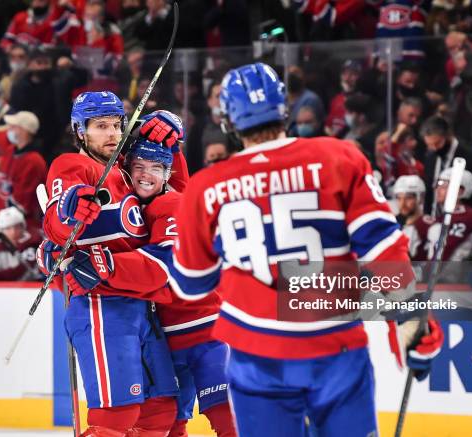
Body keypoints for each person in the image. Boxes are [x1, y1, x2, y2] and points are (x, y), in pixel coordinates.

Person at [151, 62, 443, 436]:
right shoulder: (340, 156)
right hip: (334, 347)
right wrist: (406, 316)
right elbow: (384, 246)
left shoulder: (206, 186)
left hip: (257, 357)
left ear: (228, 121)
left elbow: (191, 284)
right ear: (284, 110)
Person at [61, 137, 237, 437]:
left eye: (156, 168)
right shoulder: (130, 212)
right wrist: (59, 250)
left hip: (207, 332)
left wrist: (103, 267)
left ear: (168, 174)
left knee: (228, 417)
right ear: (126, 170)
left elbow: (164, 266)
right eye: (138, 166)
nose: (146, 174)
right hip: (165, 339)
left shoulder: (174, 203)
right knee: (169, 424)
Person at [40, 91, 188, 436]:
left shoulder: (126, 170)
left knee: (159, 411)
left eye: (117, 125)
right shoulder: (73, 165)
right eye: (101, 126)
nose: (111, 134)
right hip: (99, 305)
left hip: (142, 304)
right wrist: (70, 208)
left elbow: (177, 199)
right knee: (115, 417)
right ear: (80, 131)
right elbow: (57, 216)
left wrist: (174, 148)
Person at [0, 111, 47, 227]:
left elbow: (22, 204)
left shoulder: (34, 161)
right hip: (3, 220)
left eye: (13, 127)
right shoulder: (10, 151)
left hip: (22, 226)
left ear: (25, 131)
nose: (9, 130)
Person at [392, 175, 427, 260]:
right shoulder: (391, 223)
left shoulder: (427, 226)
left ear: (421, 198)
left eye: (408, 198)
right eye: (399, 198)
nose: (402, 204)